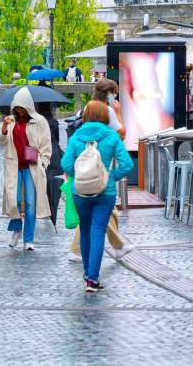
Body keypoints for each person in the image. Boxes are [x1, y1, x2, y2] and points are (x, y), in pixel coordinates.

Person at [62, 101, 133, 292]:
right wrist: (110, 177)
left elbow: (66, 164)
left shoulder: (76, 136)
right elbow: (127, 164)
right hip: (105, 193)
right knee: (98, 231)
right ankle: (92, 278)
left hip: (80, 192)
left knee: (84, 231)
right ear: (106, 116)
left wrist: (79, 176)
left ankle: (88, 274)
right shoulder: (111, 136)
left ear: (85, 116)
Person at [68, 79, 131, 262]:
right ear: (110, 93)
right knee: (102, 206)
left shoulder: (87, 108)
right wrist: (118, 114)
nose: (116, 96)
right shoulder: (107, 111)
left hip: (84, 165)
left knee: (97, 208)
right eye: (114, 92)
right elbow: (121, 133)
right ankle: (113, 246)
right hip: (100, 167)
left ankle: (116, 245)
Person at [0, 87, 52, 250]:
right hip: (14, 165)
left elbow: (46, 145)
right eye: (16, 108)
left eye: (22, 108)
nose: (19, 111)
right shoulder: (10, 121)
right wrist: (4, 127)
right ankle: (16, 229)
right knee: (14, 200)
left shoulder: (39, 121)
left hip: (32, 167)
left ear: (28, 107)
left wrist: (43, 163)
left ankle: (29, 239)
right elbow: (1, 142)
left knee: (30, 203)